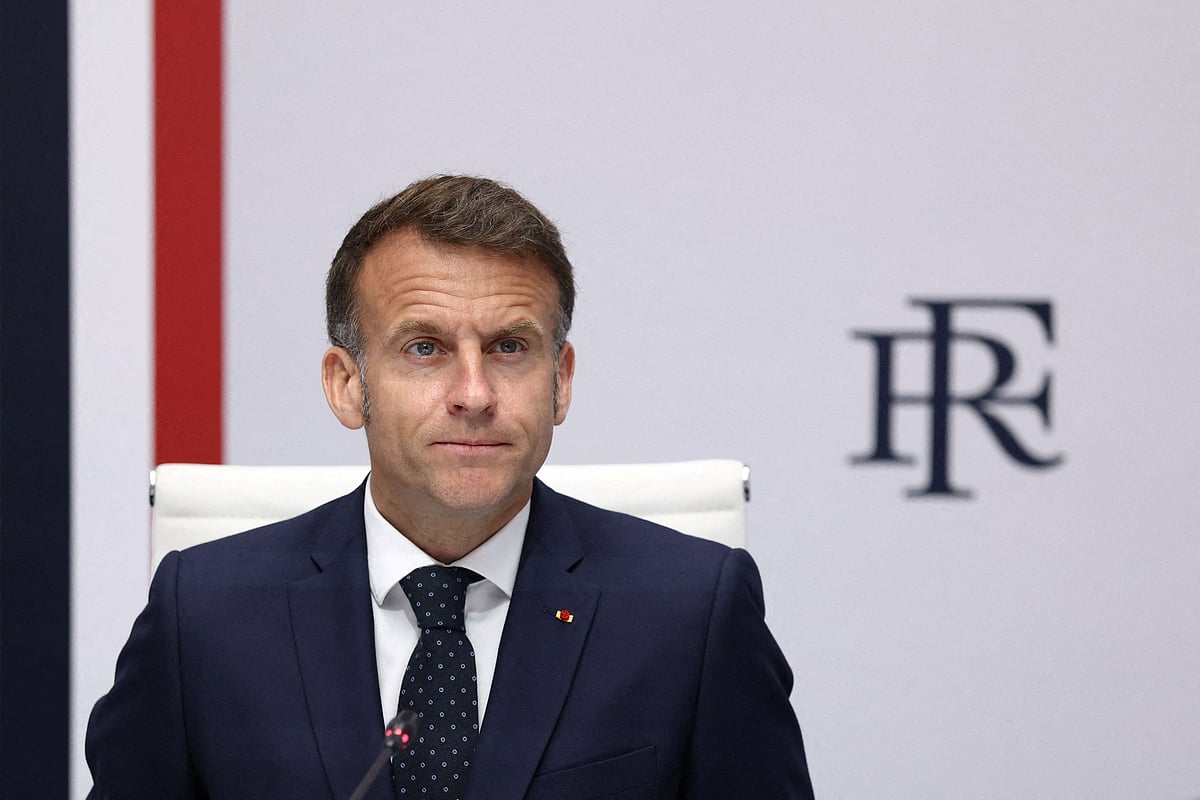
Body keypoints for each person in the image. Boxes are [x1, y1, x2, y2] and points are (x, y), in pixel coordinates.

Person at [86, 175, 815, 798]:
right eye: (425, 348)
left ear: (560, 382)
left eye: (509, 347)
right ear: (347, 386)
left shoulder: (693, 611)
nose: (474, 393)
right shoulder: (204, 614)